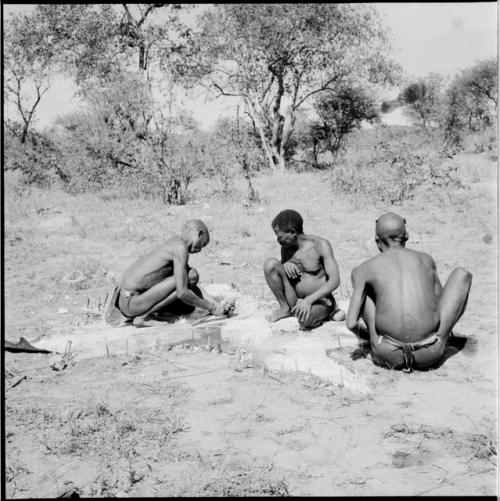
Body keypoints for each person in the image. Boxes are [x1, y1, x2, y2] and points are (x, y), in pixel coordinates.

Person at [346, 212, 472, 371]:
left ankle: (374, 340)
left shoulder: (364, 269)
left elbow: (351, 323)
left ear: (377, 240)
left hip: (387, 354)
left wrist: (372, 336)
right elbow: (438, 304)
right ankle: (442, 338)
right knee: (462, 275)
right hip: (430, 352)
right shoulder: (426, 259)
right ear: (406, 236)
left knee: (364, 285)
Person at [105, 219, 233, 327]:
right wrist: (211, 308)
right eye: (202, 244)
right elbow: (182, 292)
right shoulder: (180, 248)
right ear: (198, 234)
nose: (199, 250)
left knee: (190, 278)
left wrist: (215, 304)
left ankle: (146, 314)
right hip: (131, 302)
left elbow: (191, 283)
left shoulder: (176, 243)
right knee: (189, 280)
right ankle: (143, 317)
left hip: (129, 300)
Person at [263, 209, 345, 330]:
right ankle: (285, 308)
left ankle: (330, 311)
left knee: (304, 320)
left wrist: (308, 300)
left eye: (280, 236)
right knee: (270, 264)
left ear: (292, 232)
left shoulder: (320, 245)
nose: (278, 241)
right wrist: (285, 264)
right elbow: (282, 274)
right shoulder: (287, 247)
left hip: (319, 300)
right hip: (296, 300)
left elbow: (335, 281)